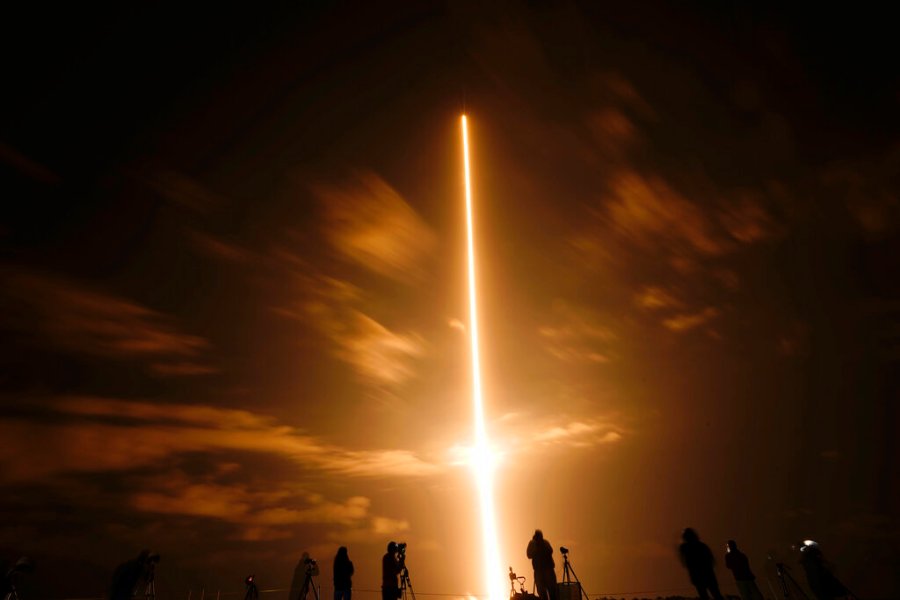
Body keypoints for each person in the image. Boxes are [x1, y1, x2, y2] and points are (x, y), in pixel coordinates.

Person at [678, 528, 724, 600]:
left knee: (704, 595)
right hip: (708, 574)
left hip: (697, 575)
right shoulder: (702, 546)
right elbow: (711, 560)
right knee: (716, 594)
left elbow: (683, 562)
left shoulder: (684, 547)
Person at [526, 530, 557, 600]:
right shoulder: (533, 543)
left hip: (547, 570)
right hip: (541, 571)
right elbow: (529, 555)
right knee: (544, 593)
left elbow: (550, 551)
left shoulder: (544, 543)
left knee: (551, 592)